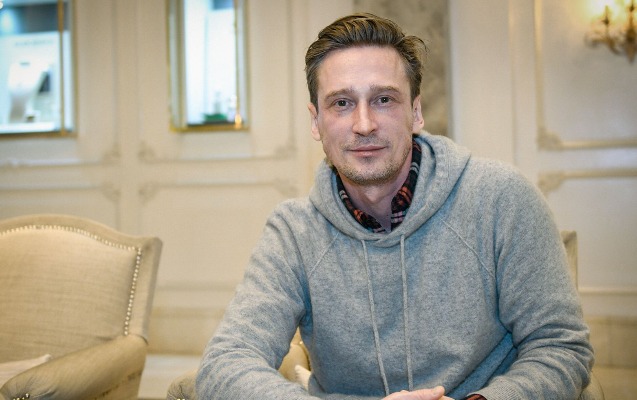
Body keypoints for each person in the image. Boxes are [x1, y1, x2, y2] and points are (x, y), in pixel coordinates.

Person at [196, 13, 594, 400]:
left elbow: (560, 347)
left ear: (416, 112)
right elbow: (225, 364)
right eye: (341, 103)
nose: (364, 124)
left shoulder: (502, 199)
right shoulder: (293, 232)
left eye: (383, 99)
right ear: (316, 121)